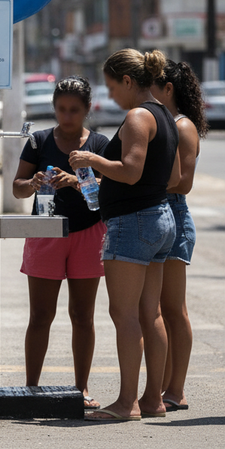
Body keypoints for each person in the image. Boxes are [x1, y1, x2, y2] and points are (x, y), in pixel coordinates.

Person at [70, 49, 180, 422]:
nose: (111, 96)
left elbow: (130, 170)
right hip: (161, 216)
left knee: (124, 313)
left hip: (133, 223)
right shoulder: (166, 115)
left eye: (113, 87)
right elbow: (173, 176)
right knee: (152, 313)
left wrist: (92, 161)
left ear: (128, 82)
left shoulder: (136, 116)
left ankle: (127, 402)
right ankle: (153, 400)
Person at [12, 76, 109, 411]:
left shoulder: (98, 143)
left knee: (82, 315)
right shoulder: (39, 141)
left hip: (88, 232)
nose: (67, 116)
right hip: (46, 232)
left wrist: (80, 183)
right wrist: (33, 181)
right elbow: (17, 187)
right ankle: (30, 388)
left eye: (74, 110)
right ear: (54, 107)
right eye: (61, 109)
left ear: (87, 109)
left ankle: (80, 388)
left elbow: (111, 187)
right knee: (41, 315)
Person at [150, 60, 207, 412]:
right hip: (157, 210)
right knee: (157, 309)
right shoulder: (165, 123)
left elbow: (184, 182)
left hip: (173, 212)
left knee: (173, 309)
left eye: (152, 85)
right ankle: (164, 387)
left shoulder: (182, 126)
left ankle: (176, 390)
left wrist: (140, 180)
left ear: (168, 88)